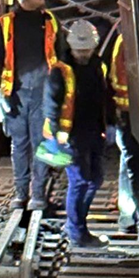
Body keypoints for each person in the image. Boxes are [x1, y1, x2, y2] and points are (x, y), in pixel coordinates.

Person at [0, 0, 60, 210]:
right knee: (19, 144)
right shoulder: (5, 24)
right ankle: (21, 193)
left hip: (43, 93)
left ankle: (37, 195)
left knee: (41, 143)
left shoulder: (50, 22)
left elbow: (61, 58)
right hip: (16, 94)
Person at [44, 20, 113, 249]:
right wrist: (57, 134)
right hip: (71, 136)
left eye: (87, 50)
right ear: (72, 47)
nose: (83, 54)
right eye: (80, 50)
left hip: (93, 131)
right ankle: (77, 231)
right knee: (80, 181)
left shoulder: (98, 66)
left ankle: (76, 226)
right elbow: (51, 105)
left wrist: (111, 123)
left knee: (95, 179)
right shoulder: (60, 71)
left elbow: (105, 96)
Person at [103, 28, 139, 242]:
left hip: (130, 113)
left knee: (130, 164)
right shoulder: (125, 42)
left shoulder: (124, 41)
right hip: (129, 114)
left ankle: (129, 219)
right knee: (135, 166)